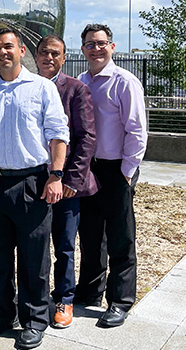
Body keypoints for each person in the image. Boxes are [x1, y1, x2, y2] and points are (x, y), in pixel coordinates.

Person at [0, 28, 69, 349]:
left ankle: (35, 319)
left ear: (21, 50)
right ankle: (2, 314)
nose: (2, 52)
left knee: (33, 258)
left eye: (7, 46)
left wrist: (56, 175)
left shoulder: (41, 88)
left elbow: (58, 133)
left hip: (32, 183)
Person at [74, 24, 147, 328]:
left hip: (117, 167)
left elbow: (138, 130)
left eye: (101, 43)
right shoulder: (80, 81)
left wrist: (127, 172)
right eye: (90, 44)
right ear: (83, 49)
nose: (96, 49)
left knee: (120, 235)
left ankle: (120, 300)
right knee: (90, 233)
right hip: (88, 167)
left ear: (112, 47)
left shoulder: (124, 82)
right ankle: (90, 290)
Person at [36, 34, 98, 328]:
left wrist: (71, 179)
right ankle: (35, 296)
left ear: (64, 58)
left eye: (55, 54)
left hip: (66, 186)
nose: (49, 58)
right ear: (34, 56)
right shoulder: (27, 86)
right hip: (33, 182)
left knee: (63, 245)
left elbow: (86, 138)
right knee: (34, 246)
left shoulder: (76, 89)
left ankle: (64, 299)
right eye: (44, 53)